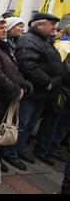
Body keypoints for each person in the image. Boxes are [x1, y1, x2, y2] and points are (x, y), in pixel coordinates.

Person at [3, 13, 64, 170]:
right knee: (22, 124)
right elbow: (28, 65)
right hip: (34, 91)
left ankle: (19, 149)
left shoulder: (43, 40)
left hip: (41, 93)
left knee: (30, 125)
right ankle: (10, 153)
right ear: (39, 25)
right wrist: (47, 82)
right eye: (51, 24)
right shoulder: (29, 40)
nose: (54, 27)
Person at [0, 14, 33, 173]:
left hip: (8, 96)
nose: (5, 31)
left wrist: (24, 85)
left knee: (2, 129)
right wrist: (14, 90)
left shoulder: (5, 46)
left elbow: (14, 69)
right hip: (0, 96)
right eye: (1, 28)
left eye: (6, 27)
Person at [35, 24, 70, 164]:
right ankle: (43, 150)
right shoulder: (63, 46)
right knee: (53, 122)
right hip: (62, 92)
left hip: (66, 93)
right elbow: (63, 70)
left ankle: (53, 148)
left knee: (63, 124)